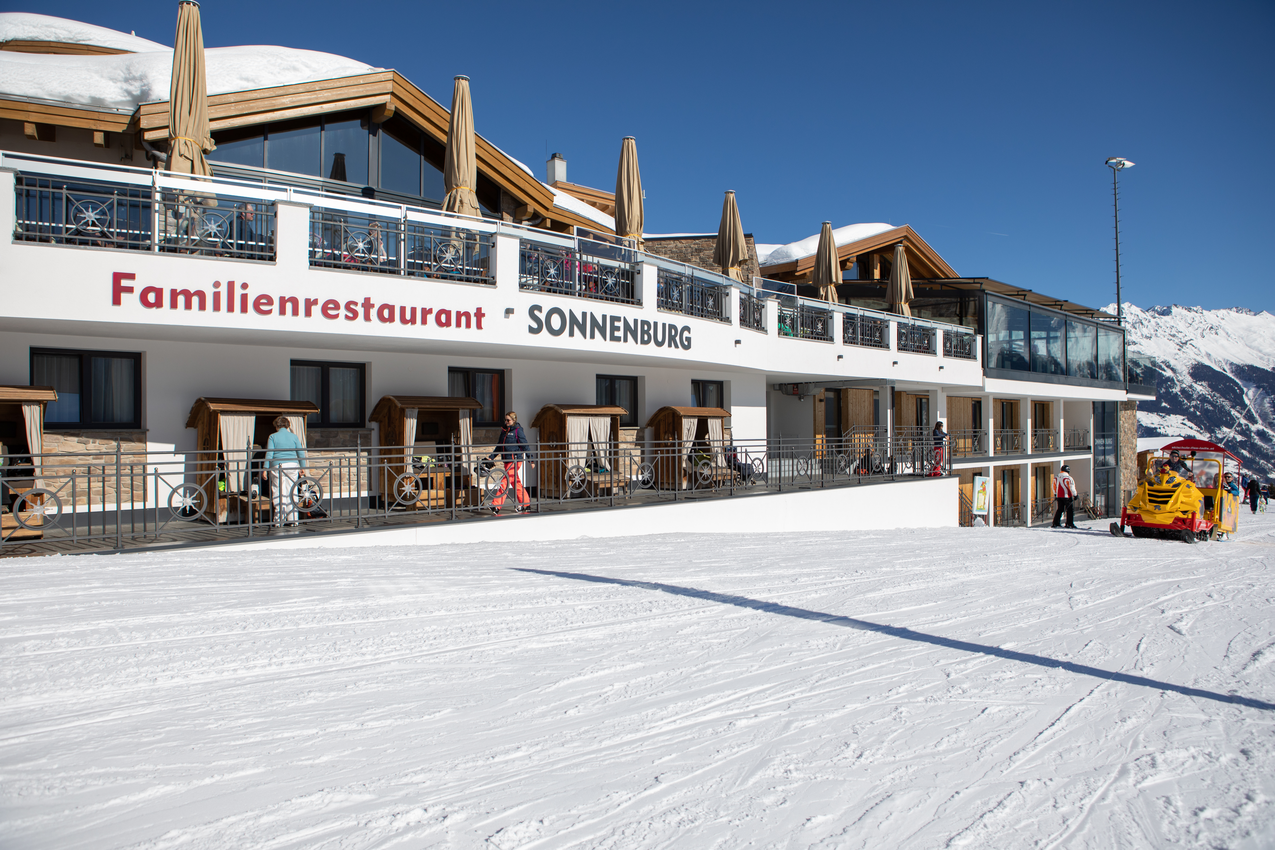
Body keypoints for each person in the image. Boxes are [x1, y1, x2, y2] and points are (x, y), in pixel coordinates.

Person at [487, 411, 535, 515]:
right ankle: (526, 504)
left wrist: (531, 459)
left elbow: (525, 445)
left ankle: (496, 505)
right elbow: (499, 446)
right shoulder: (504, 431)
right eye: (505, 420)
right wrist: (491, 457)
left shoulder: (518, 430)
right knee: (515, 482)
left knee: (505, 481)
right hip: (507, 460)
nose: (506, 422)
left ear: (513, 420)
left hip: (515, 460)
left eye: (508, 420)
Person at [265, 416, 308, 527]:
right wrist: (302, 467)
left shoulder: (272, 436)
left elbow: (269, 453)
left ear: (276, 426)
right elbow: (301, 452)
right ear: (288, 426)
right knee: (292, 491)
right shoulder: (294, 436)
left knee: (278, 491)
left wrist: (265, 469)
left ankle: (279, 520)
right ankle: (293, 519)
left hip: (278, 466)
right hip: (293, 466)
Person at [1052, 464, 1078, 529]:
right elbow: (1071, 487)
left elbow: (1053, 486)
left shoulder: (1056, 477)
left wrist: (1055, 494)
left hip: (1059, 496)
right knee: (1069, 510)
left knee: (1060, 509)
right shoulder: (1068, 478)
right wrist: (1075, 495)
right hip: (1067, 496)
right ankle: (1069, 523)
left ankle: (1056, 523)